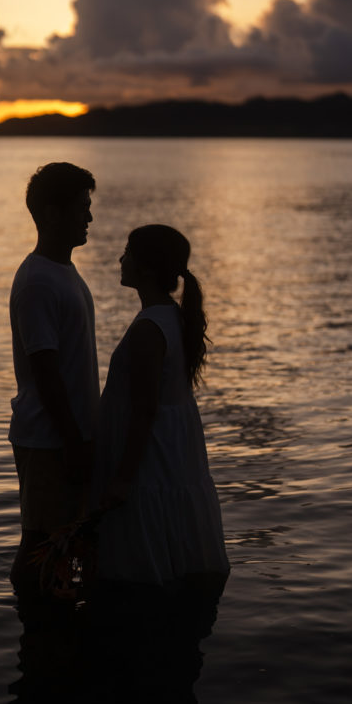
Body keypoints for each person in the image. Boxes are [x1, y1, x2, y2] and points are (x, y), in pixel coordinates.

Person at [92, 224, 229, 586]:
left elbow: (145, 409)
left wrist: (122, 478)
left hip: (152, 459)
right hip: (171, 452)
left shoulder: (149, 330)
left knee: (142, 562)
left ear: (147, 269)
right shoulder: (172, 317)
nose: (120, 259)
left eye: (128, 253)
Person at [9, 162, 99, 595]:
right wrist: (74, 443)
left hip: (67, 436)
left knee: (70, 540)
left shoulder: (62, 272)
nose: (89, 218)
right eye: (81, 208)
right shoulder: (38, 282)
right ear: (50, 213)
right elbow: (45, 372)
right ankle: (31, 618)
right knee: (40, 541)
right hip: (50, 439)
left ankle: (65, 615)